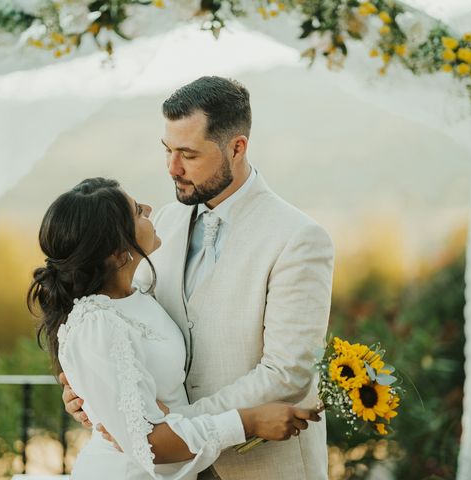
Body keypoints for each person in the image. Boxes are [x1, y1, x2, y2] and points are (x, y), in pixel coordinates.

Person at [62, 76, 335, 479]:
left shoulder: (298, 238)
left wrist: (171, 427)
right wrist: (97, 392)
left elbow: (287, 373)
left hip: (259, 465)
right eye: (167, 150)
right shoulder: (162, 226)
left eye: (188, 154)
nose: (172, 168)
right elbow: (124, 322)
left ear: (236, 148)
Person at [28, 177, 323, 479]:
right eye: (137, 212)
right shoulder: (95, 324)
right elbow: (149, 442)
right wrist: (247, 422)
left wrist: (101, 398)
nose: (150, 209)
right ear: (118, 253)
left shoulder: (137, 296)